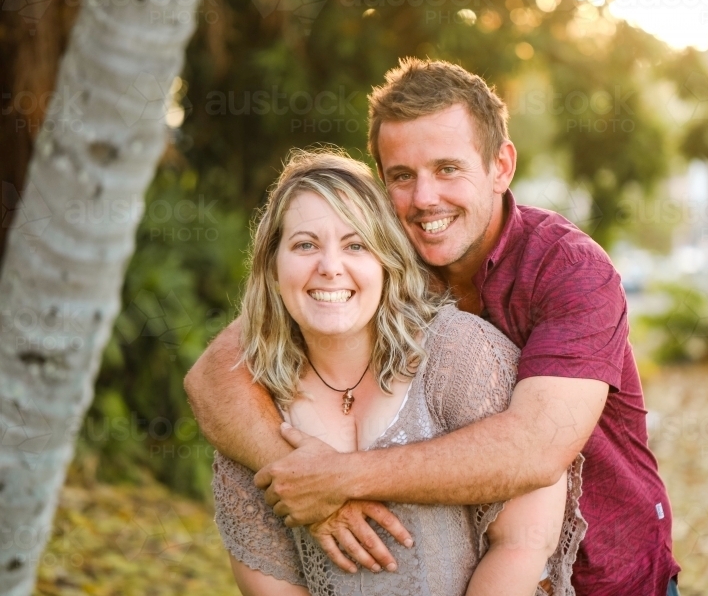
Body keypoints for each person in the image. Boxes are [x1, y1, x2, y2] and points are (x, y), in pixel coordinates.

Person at [185, 58, 681, 595]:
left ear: (501, 166)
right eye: (402, 176)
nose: (424, 198)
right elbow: (214, 375)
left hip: (607, 573)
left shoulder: (569, 270)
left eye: (447, 169)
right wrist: (300, 479)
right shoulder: (377, 261)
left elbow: (535, 448)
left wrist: (338, 478)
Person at [211, 150, 583, 595]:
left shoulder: (459, 356)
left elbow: (524, 543)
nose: (330, 267)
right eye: (305, 245)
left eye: (355, 245)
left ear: (387, 262)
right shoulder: (251, 411)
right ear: (273, 267)